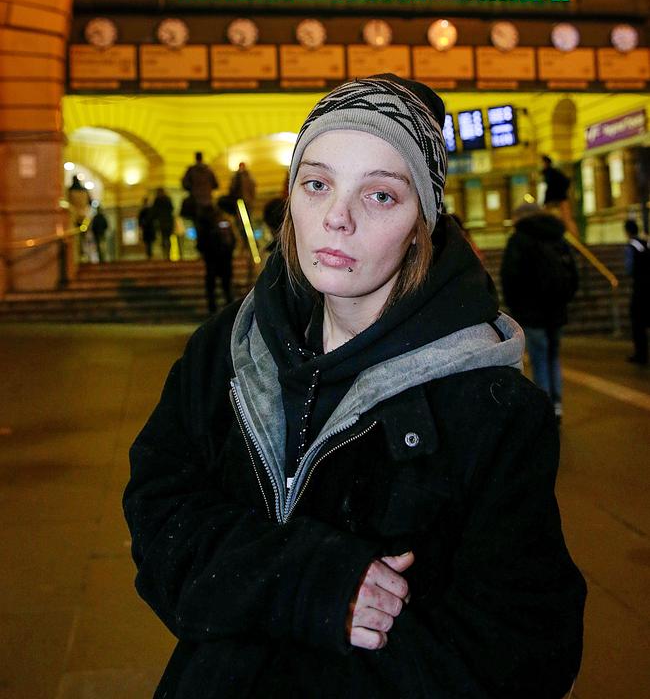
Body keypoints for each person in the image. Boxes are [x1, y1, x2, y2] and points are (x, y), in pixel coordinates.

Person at [124, 74, 585, 699]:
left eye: (380, 196)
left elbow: (526, 646)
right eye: (317, 185)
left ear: (422, 219)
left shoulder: (494, 411)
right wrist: (304, 582)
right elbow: (158, 518)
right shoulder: (224, 351)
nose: (335, 219)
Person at [501, 201, 579, 424]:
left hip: (531, 313)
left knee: (540, 359)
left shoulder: (519, 240)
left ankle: (545, 409)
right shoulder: (557, 237)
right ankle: (557, 404)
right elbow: (573, 274)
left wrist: (515, 306)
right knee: (553, 357)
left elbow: (510, 277)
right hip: (556, 311)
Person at [196, 200, 236, 313]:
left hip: (212, 260)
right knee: (226, 286)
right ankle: (229, 309)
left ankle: (213, 309)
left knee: (212, 287)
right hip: (223, 259)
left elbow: (200, 244)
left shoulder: (204, 226)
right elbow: (231, 240)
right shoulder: (222, 223)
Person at [623, 218, 650, 366]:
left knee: (638, 322)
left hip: (639, 288)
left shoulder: (630, 246)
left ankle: (641, 355)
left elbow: (629, 268)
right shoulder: (645, 243)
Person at [181, 151, 218, 221]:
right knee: (208, 223)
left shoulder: (191, 170)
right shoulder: (209, 171)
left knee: (196, 223)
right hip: (208, 202)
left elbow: (185, 184)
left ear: (196, 158)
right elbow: (215, 185)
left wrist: (192, 189)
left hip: (195, 203)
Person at [151, 187, 174, 260]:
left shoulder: (157, 200)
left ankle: (166, 253)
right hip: (168, 221)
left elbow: (154, 212)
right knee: (167, 238)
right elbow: (171, 209)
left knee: (164, 238)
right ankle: (168, 253)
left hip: (162, 222)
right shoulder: (167, 199)